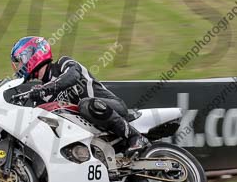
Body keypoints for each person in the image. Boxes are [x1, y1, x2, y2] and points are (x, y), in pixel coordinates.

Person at [10, 36, 150, 156]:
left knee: (85, 104)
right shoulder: (41, 94)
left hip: (112, 107)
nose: (20, 65)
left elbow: (72, 77)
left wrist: (45, 89)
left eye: (21, 60)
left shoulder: (63, 64)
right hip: (89, 129)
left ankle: (135, 137)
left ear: (34, 54)